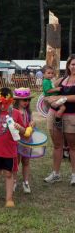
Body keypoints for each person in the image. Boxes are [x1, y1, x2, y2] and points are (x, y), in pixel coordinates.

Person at [0, 87, 25, 207]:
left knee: (9, 174)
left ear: (11, 101)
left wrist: (19, 127)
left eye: (5, 103)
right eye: (0, 102)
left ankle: (9, 199)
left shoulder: (17, 113)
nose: (3, 105)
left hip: (10, 150)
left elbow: (24, 131)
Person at [44, 55, 75, 185]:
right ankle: (56, 174)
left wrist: (62, 97)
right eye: (73, 64)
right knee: (57, 145)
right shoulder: (62, 80)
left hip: (71, 116)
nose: (74, 67)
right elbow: (47, 93)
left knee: (73, 147)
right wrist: (48, 100)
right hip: (54, 114)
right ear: (68, 65)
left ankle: (74, 175)